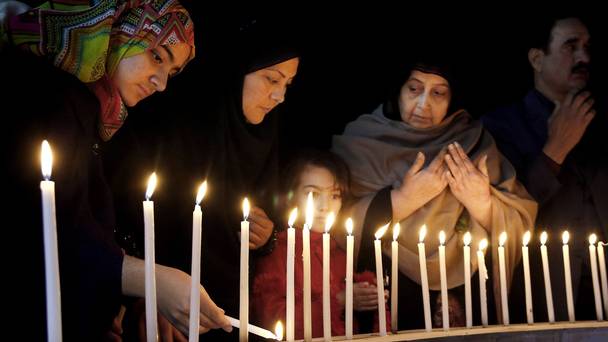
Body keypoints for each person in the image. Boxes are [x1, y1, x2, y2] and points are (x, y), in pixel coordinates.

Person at [1, 1, 231, 340]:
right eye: (157, 56)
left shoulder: (94, 110)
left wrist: (120, 297)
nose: (161, 83)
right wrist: (151, 280)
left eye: (172, 71)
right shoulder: (42, 95)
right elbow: (44, 228)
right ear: (117, 30)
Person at [104, 19, 300, 340]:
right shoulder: (179, 129)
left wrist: (266, 238)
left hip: (233, 313)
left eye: (288, 84)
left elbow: (268, 214)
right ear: (238, 71)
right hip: (161, 312)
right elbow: (129, 216)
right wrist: (148, 292)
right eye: (271, 79)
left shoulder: (266, 137)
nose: (279, 95)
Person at [332, 61, 537, 328]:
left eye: (438, 93)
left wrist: (483, 204)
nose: (423, 104)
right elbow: (329, 224)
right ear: (397, 89)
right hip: (384, 290)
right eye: (414, 89)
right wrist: (402, 201)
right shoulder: (361, 142)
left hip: (464, 290)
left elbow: (520, 219)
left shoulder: (473, 143)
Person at [482, 15, 607, 322]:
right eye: (571, 46)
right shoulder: (500, 126)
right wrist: (555, 150)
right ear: (537, 58)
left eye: (587, 47)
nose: (584, 57)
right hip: (543, 294)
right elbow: (503, 212)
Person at [252, 150, 389, 338]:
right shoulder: (276, 250)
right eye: (313, 193)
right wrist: (340, 301)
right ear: (290, 196)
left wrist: (369, 297)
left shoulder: (342, 249)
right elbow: (272, 324)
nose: (325, 206)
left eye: (334, 195)